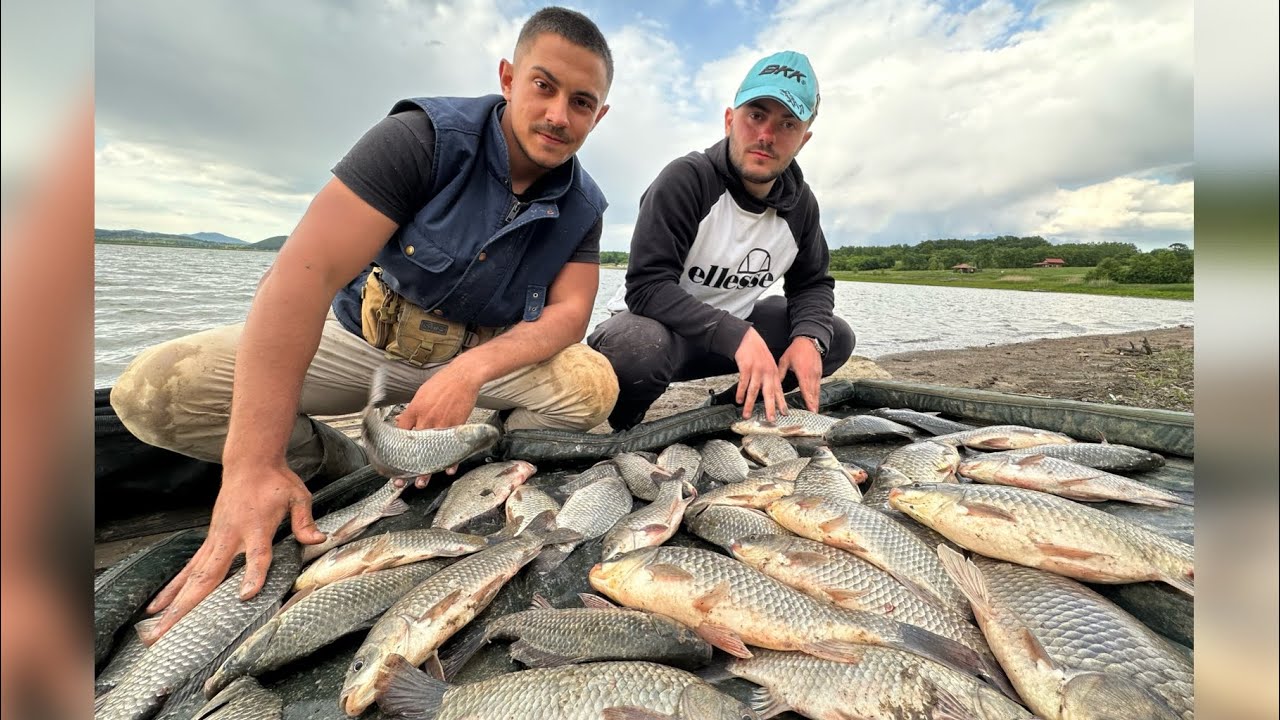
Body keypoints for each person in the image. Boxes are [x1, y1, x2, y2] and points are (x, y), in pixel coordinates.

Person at [109, 6, 619, 641]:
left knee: (594, 386)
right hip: (362, 343)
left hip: (476, 360)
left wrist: (469, 371)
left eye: (581, 102)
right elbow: (304, 275)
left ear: (599, 116)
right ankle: (337, 459)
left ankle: (458, 453)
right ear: (509, 77)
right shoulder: (421, 138)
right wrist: (250, 464)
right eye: (544, 86)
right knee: (153, 392)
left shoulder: (585, 204)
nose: (557, 115)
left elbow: (571, 314)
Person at [588, 50, 855, 431]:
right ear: (730, 119)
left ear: (803, 139)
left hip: (732, 336)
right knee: (638, 349)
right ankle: (629, 427)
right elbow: (647, 288)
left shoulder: (801, 206)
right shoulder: (686, 180)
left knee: (833, 336)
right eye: (756, 115)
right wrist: (738, 333)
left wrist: (809, 339)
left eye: (787, 124)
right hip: (654, 331)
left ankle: (726, 412)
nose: (766, 136)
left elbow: (811, 283)